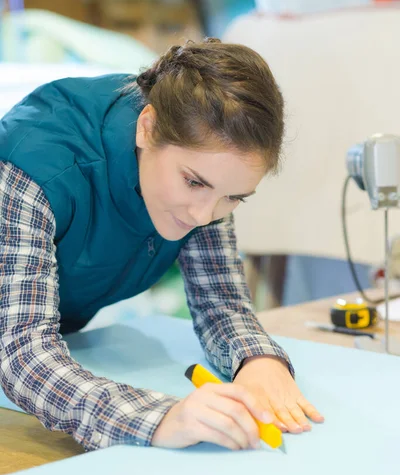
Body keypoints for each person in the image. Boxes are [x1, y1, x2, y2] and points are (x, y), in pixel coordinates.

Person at [0, 38, 324, 453]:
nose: (204, 216)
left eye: (234, 197)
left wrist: (258, 360)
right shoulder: (33, 163)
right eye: (194, 182)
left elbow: (221, 302)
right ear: (147, 127)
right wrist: (160, 419)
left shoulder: (201, 173)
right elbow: (22, 352)